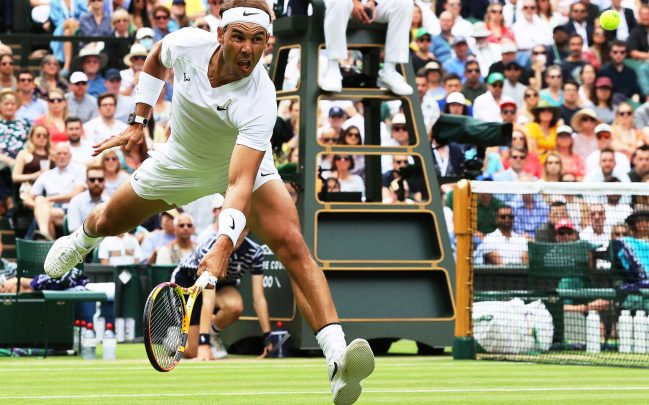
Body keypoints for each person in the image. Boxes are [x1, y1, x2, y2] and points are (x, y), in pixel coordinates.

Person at [45, 2, 375, 401]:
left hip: (242, 166)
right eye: (238, 36)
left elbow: (238, 182)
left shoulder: (261, 97)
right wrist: (139, 119)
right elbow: (154, 58)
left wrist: (223, 243)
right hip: (179, 160)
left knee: (292, 245)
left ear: (267, 44)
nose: (247, 49)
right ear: (220, 35)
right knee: (108, 221)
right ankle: (81, 241)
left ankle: (337, 358)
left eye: (257, 40)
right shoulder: (187, 44)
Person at [171, 229, 271, 360]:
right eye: (231, 230)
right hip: (189, 282)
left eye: (238, 231)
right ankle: (173, 342)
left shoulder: (254, 251)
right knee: (193, 352)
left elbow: (259, 298)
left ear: (246, 231)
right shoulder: (209, 247)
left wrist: (268, 338)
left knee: (234, 306)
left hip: (220, 285)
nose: (233, 236)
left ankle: (211, 335)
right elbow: (208, 299)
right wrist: (203, 344)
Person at [319, 0, 413, 95]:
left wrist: (372, 2)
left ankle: (389, 71)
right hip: (335, 5)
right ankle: (333, 69)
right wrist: (355, 2)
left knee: (404, 3)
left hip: (366, 4)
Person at [24, 142, 85, 240]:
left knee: (42, 211)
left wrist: (48, 201)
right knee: (40, 203)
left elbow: (76, 194)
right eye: (58, 153)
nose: (61, 156)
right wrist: (41, 207)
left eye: (64, 153)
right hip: (52, 210)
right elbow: (27, 200)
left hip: (70, 209)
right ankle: (45, 234)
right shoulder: (46, 174)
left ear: (70, 156)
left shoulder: (79, 169)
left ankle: (38, 237)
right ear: (53, 156)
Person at [11, 125, 53, 204]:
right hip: (29, 190)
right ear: (31, 137)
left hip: (49, 190)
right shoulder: (24, 154)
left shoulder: (53, 155)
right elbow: (15, 177)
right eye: (38, 135)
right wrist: (34, 175)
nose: (42, 138)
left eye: (45, 135)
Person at [67, 166, 108, 233]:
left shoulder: (109, 202)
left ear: (104, 181)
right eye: (92, 179)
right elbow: (74, 230)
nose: (96, 183)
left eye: (100, 179)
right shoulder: (76, 201)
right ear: (86, 182)